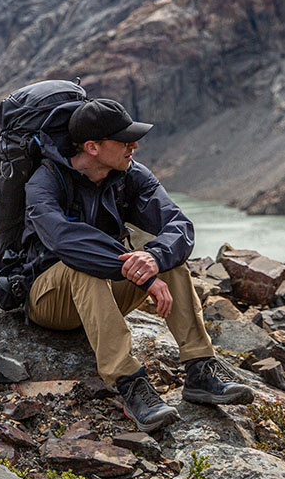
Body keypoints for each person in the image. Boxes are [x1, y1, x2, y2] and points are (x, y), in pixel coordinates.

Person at [22, 98, 253, 431]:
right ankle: (128, 382)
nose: (135, 145)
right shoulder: (45, 183)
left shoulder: (129, 175)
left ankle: (201, 368)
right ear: (93, 147)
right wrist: (138, 275)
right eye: (124, 139)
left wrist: (153, 258)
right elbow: (66, 242)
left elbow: (178, 224)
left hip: (103, 294)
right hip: (50, 301)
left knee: (166, 259)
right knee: (83, 266)